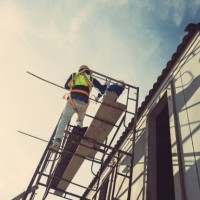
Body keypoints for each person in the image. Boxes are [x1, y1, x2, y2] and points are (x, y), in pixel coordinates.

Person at [50, 65, 107, 152]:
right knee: (79, 121)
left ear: (80, 70)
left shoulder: (74, 75)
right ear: (88, 71)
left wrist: (76, 85)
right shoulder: (90, 78)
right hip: (83, 103)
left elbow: (66, 86)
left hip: (72, 100)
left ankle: (57, 141)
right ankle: (77, 132)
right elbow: (102, 90)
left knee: (64, 120)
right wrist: (107, 84)